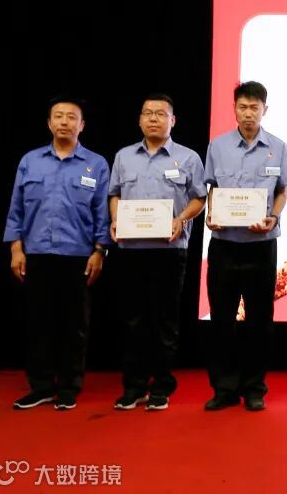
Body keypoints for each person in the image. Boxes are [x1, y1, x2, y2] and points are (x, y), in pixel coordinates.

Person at [4, 97, 110, 410]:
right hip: (36, 253)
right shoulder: (30, 161)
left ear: (82, 125)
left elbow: (102, 213)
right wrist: (15, 248)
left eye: (71, 117)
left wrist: (100, 251)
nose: (65, 122)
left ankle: (68, 387)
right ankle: (40, 387)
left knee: (74, 325)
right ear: (49, 123)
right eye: (58, 116)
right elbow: (16, 209)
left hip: (78, 255)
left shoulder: (96, 164)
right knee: (37, 323)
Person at [107, 94, 206, 411]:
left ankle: (162, 386)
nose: (153, 118)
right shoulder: (124, 156)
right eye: (147, 113)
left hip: (170, 249)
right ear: (139, 119)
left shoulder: (188, 158)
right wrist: (116, 219)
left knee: (165, 321)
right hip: (131, 249)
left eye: (161, 113)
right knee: (133, 320)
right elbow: (114, 194)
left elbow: (200, 198)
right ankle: (133, 387)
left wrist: (181, 218)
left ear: (172, 121)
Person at [203, 81, 287, 412]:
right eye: (243, 107)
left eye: (255, 107)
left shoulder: (278, 147)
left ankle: (254, 388)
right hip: (224, 244)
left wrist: (274, 216)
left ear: (265, 110)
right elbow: (212, 188)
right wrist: (212, 214)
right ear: (234, 110)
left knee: (259, 320)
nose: (248, 113)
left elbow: (282, 191)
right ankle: (224, 388)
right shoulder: (218, 146)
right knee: (222, 319)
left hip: (261, 245)